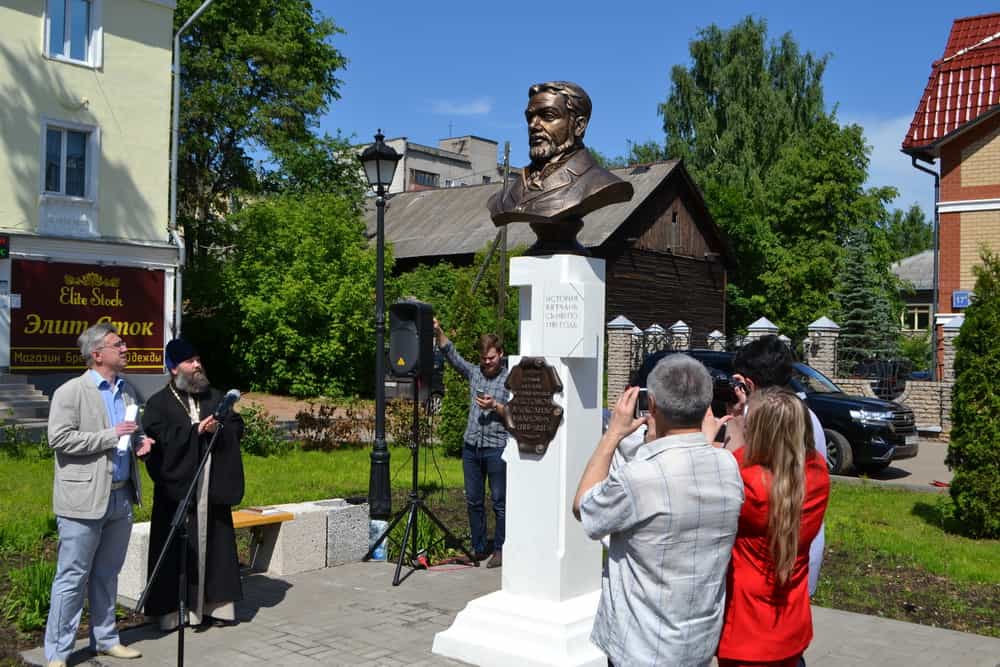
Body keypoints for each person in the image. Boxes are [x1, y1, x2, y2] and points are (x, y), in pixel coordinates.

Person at [574, 354, 744, 666]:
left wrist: (613, 433)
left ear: (651, 405)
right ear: (707, 405)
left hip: (641, 646)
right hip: (698, 643)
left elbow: (585, 509)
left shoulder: (639, 476)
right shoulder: (727, 466)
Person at [44, 323, 153, 667]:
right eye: (117, 344)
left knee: (108, 574)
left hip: (121, 498)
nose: (124, 348)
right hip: (82, 502)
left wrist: (141, 442)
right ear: (97, 354)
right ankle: (58, 654)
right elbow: (59, 439)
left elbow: (130, 434)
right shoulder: (71, 392)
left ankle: (105, 639)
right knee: (72, 577)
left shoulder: (127, 391)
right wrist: (109, 436)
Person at [716, 388, 831, 667]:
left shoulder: (745, 482)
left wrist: (733, 427)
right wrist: (754, 413)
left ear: (759, 433)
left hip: (746, 631)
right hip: (790, 625)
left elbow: (723, 467)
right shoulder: (817, 475)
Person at [141, 339, 245, 631]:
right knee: (174, 547)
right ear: (174, 368)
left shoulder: (215, 397)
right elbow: (158, 439)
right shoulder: (158, 403)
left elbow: (237, 427)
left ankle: (218, 607)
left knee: (217, 544)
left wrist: (220, 428)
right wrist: (195, 431)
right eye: (190, 361)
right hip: (177, 490)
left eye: (199, 359)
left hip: (212, 485)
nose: (197, 365)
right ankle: (173, 612)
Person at [725, 335, 828, 596]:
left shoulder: (756, 423)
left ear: (747, 384)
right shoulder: (805, 416)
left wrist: (733, 432)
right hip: (801, 551)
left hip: (760, 569)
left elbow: (731, 486)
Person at [488, 81, 633, 227]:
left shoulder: (600, 182)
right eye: (530, 117)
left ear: (578, 126)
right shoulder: (503, 198)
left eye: (548, 116)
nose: (533, 125)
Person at [433, 318, 509, 568]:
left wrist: (496, 406)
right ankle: (478, 548)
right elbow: (452, 356)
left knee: (499, 501)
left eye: (491, 358)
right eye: (484, 358)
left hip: (497, 447)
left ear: (500, 354)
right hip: (471, 447)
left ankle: (500, 549)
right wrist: (438, 332)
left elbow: (515, 415)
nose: (487, 362)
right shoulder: (474, 372)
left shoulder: (510, 379)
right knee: (474, 500)